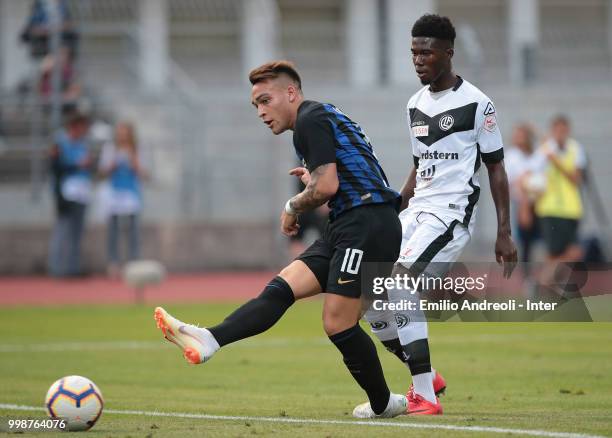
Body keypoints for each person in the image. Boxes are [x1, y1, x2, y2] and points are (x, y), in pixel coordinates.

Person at [154, 61, 409, 418]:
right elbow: (345, 174)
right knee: (282, 286)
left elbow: (328, 185)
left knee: (338, 322)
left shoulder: (309, 119)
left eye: (265, 100)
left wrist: (293, 205)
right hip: (349, 222)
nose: (260, 111)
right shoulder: (319, 117)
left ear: (291, 93)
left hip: (367, 223)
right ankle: (210, 338)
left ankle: (386, 402)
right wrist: (314, 183)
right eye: (255, 105)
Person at [362, 14, 517, 415]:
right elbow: (420, 166)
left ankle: (425, 397)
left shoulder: (477, 103)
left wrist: (504, 232)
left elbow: (496, 168)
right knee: (365, 298)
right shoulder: (414, 104)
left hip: (449, 214)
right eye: (413, 52)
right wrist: (394, 206)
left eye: (426, 52)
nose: (418, 60)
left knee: (400, 284)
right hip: (416, 211)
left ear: (448, 53)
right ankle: (428, 377)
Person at [533, 116, 586, 294]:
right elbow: (533, 177)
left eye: (564, 130)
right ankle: (547, 285)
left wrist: (555, 160)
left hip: (571, 209)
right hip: (550, 209)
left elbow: (576, 179)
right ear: (552, 131)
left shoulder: (575, 148)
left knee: (573, 252)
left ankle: (544, 282)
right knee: (554, 252)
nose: (561, 134)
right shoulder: (543, 151)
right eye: (557, 130)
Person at [98, 121, 147, 278]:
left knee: (133, 230)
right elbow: (102, 172)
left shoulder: (137, 149)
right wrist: (113, 163)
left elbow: (144, 173)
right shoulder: (110, 149)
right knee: (113, 230)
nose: (122, 135)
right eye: (120, 132)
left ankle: (134, 262)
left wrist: (133, 160)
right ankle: (113, 263)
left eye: (125, 132)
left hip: (131, 193)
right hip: (114, 193)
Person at [48, 112, 92, 277]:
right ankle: (57, 268)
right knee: (62, 231)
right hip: (65, 192)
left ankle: (73, 268)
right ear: (74, 126)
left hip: (81, 191)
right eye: (81, 127)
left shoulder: (82, 143)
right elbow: (57, 167)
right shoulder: (59, 142)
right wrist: (77, 165)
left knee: (77, 232)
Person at [505, 123, 541, 276]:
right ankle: (527, 277)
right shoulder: (511, 155)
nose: (517, 138)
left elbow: (548, 145)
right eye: (516, 135)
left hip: (539, 202)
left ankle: (548, 276)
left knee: (542, 240)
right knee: (525, 242)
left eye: (521, 134)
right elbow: (509, 181)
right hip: (521, 203)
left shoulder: (535, 154)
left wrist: (534, 130)